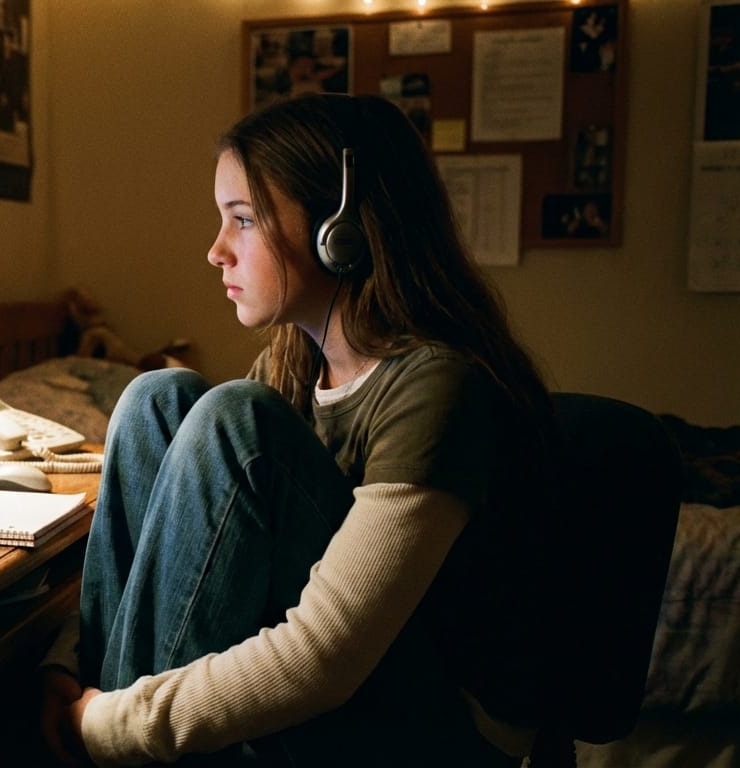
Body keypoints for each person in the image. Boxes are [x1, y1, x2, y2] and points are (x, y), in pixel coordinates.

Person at [39, 93, 559, 767]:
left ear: (337, 233)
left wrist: (106, 725)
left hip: (444, 735)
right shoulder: (295, 364)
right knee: (156, 397)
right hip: (357, 702)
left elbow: (324, 655)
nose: (215, 251)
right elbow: (151, 571)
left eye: (244, 220)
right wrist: (65, 666)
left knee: (230, 418)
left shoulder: (437, 386)